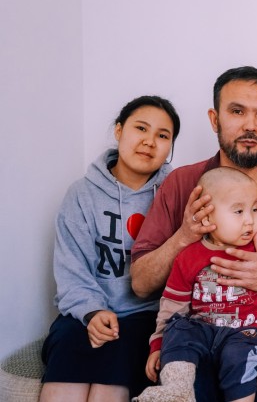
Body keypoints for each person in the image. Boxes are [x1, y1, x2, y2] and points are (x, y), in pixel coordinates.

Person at [130, 66, 257, 401]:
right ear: (214, 119)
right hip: (198, 333)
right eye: (237, 111)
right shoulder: (182, 183)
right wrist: (185, 237)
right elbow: (141, 285)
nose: (251, 125)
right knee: (190, 386)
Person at [40, 95, 180, 402]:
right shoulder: (81, 194)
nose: (149, 142)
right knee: (68, 342)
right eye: (140, 128)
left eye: (162, 136)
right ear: (119, 130)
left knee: (120, 352)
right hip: (86, 311)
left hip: (147, 315)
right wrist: (92, 312)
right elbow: (71, 270)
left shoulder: (175, 193)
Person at [135, 167, 257, 402]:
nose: (250, 220)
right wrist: (159, 343)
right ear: (207, 217)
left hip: (251, 331)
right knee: (179, 329)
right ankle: (176, 391)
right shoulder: (189, 256)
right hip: (205, 331)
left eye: (254, 209)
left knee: (236, 354)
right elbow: (173, 304)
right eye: (239, 211)